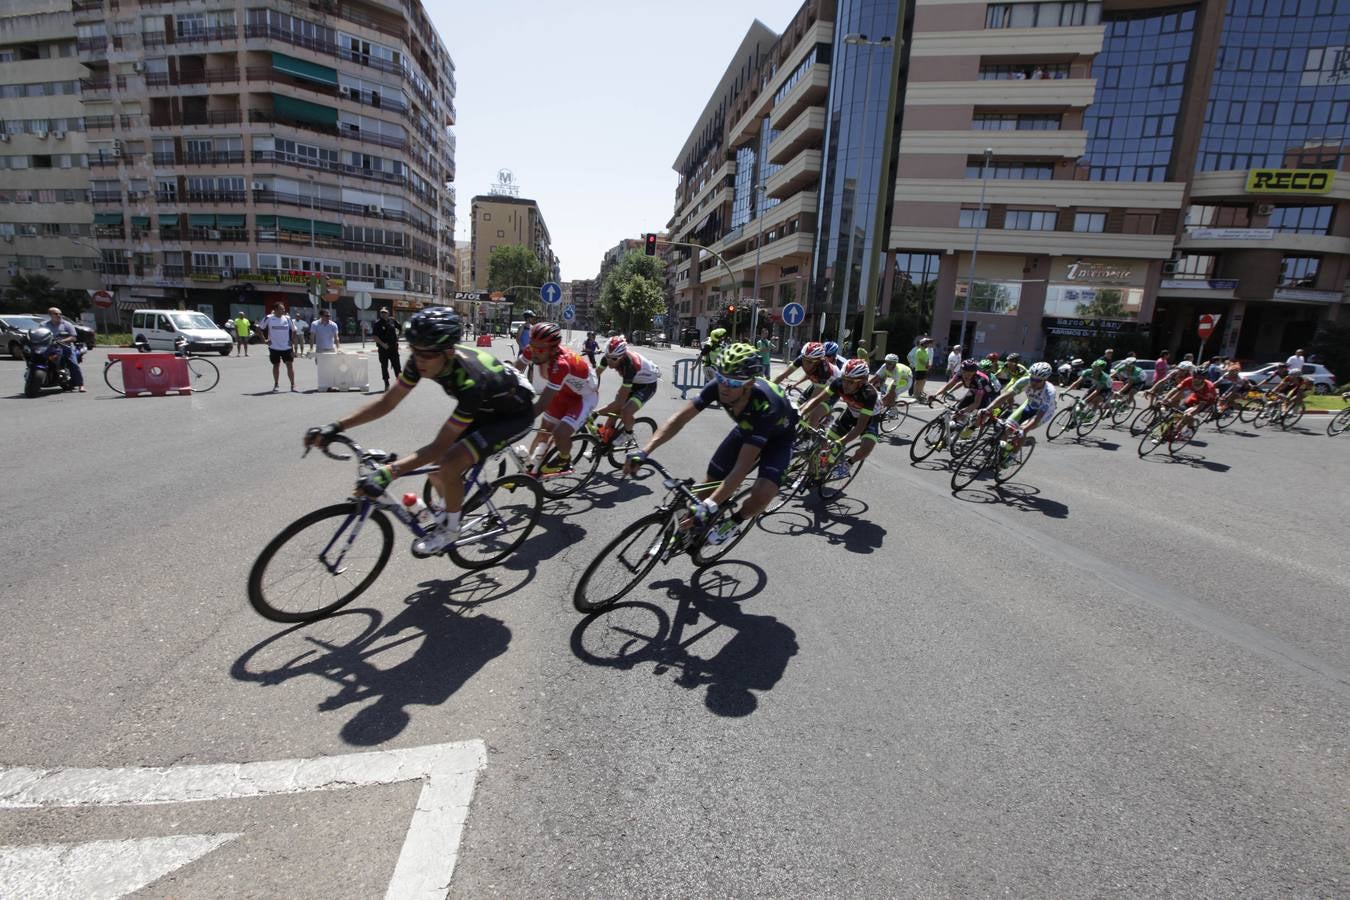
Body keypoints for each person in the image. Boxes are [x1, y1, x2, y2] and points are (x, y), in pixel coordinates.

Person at [304, 307, 536, 555]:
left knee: (449, 462)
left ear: (448, 352)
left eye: (427, 354)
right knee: (437, 471)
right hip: (486, 407)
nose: (419, 360)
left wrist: (389, 472)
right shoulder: (421, 359)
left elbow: (439, 445)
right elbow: (387, 402)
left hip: (513, 415)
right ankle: (453, 507)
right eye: (414, 351)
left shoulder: (470, 381)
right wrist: (336, 426)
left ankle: (451, 530)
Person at [625, 343, 798, 546]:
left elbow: (741, 469)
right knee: (710, 483)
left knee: (762, 493)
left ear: (749, 384)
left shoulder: (766, 406)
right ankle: (687, 532)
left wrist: (709, 505)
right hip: (747, 429)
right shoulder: (718, 386)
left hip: (778, 438)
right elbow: (679, 419)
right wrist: (644, 451)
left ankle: (734, 521)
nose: (724, 386)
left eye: (732, 382)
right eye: (721, 378)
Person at [523, 322, 599, 475]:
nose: (534, 352)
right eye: (532, 346)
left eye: (539, 349)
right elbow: (516, 367)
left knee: (560, 433)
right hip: (564, 391)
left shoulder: (561, 364)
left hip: (583, 397)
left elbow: (542, 404)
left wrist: (515, 422)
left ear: (553, 349)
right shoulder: (536, 348)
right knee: (543, 432)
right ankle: (527, 470)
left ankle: (565, 459)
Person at [798, 358, 882, 474]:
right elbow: (817, 400)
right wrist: (800, 412)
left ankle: (849, 463)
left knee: (866, 448)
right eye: (844, 379)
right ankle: (813, 473)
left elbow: (859, 427)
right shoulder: (838, 383)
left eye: (850, 382)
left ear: (862, 382)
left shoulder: (869, 395)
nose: (845, 385)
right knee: (825, 447)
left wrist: (840, 442)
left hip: (869, 419)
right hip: (850, 413)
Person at [980, 360, 1058, 454]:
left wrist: (1024, 429)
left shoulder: (1049, 392)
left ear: (1045, 380)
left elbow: (1039, 415)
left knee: (1022, 430)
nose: (1033, 382)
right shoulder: (1024, 381)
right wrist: (988, 408)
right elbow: (1005, 396)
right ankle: (1001, 452)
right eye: (1032, 378)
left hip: (1044, 412)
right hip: (1030, 405)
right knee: (1007, 429)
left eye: (1038, 380)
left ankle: (1013, 454)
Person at [594, 334, 661, 440]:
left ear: (621, 356)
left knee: (626, 411)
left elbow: (619, 403)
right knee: (614, 412)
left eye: (614, 359)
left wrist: (596, 413)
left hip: (647, 385)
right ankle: (604, 441)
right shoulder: (610, 355)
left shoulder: (630, 366)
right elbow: (595, 375)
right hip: (633, 381)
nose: (610, 361)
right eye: (607, 357)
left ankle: (629, 434)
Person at [773, 340, 838, 427]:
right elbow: (782, 375)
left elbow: (813, 399)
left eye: (810, 362)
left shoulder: (824, 370)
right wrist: (768, 388)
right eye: (805, 360)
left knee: (812, 414)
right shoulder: (802, 358)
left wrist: (797, 413)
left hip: (832, 389)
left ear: (819, 361)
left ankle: (810, 432)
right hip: (817, 384)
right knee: (798, 404)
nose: (806, 364)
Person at [39, 306, 85, 392]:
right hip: (49, 346)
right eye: (56, 314)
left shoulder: (67, 324)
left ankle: (80, 385)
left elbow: (73, 337)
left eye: (60, 314)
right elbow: (39, 334)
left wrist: (62, 341)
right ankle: (36, 382)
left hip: (65, 347)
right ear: (50, 315)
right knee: (38, 358)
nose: (59, 315)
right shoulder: (44, 325)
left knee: (73, 364)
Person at [261, 302, 297, 392]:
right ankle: (276, 384)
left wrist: (292, 340)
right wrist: (264, 340)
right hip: (274, 347)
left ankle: (293, 385)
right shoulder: (269, 318)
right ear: (276, 309)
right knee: (276, 365)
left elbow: (294, 330)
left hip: (287, 347)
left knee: (289, 365)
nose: (284, 310)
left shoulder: (287, 318)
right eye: (282, 309)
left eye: (284, 308)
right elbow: (259, 328)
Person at [371, 307, 402, 390]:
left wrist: (398, 337)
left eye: (385, 312)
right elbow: (374, 336)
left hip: (393, 348)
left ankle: (399, 384)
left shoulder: (392, 321)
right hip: (383, 349)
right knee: (384, 366)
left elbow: (400, 328)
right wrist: (382, 344)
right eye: (382, 313)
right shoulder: (377, 323)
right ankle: (386, 383)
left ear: (388, 313)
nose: (383, 314)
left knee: (397, 366)